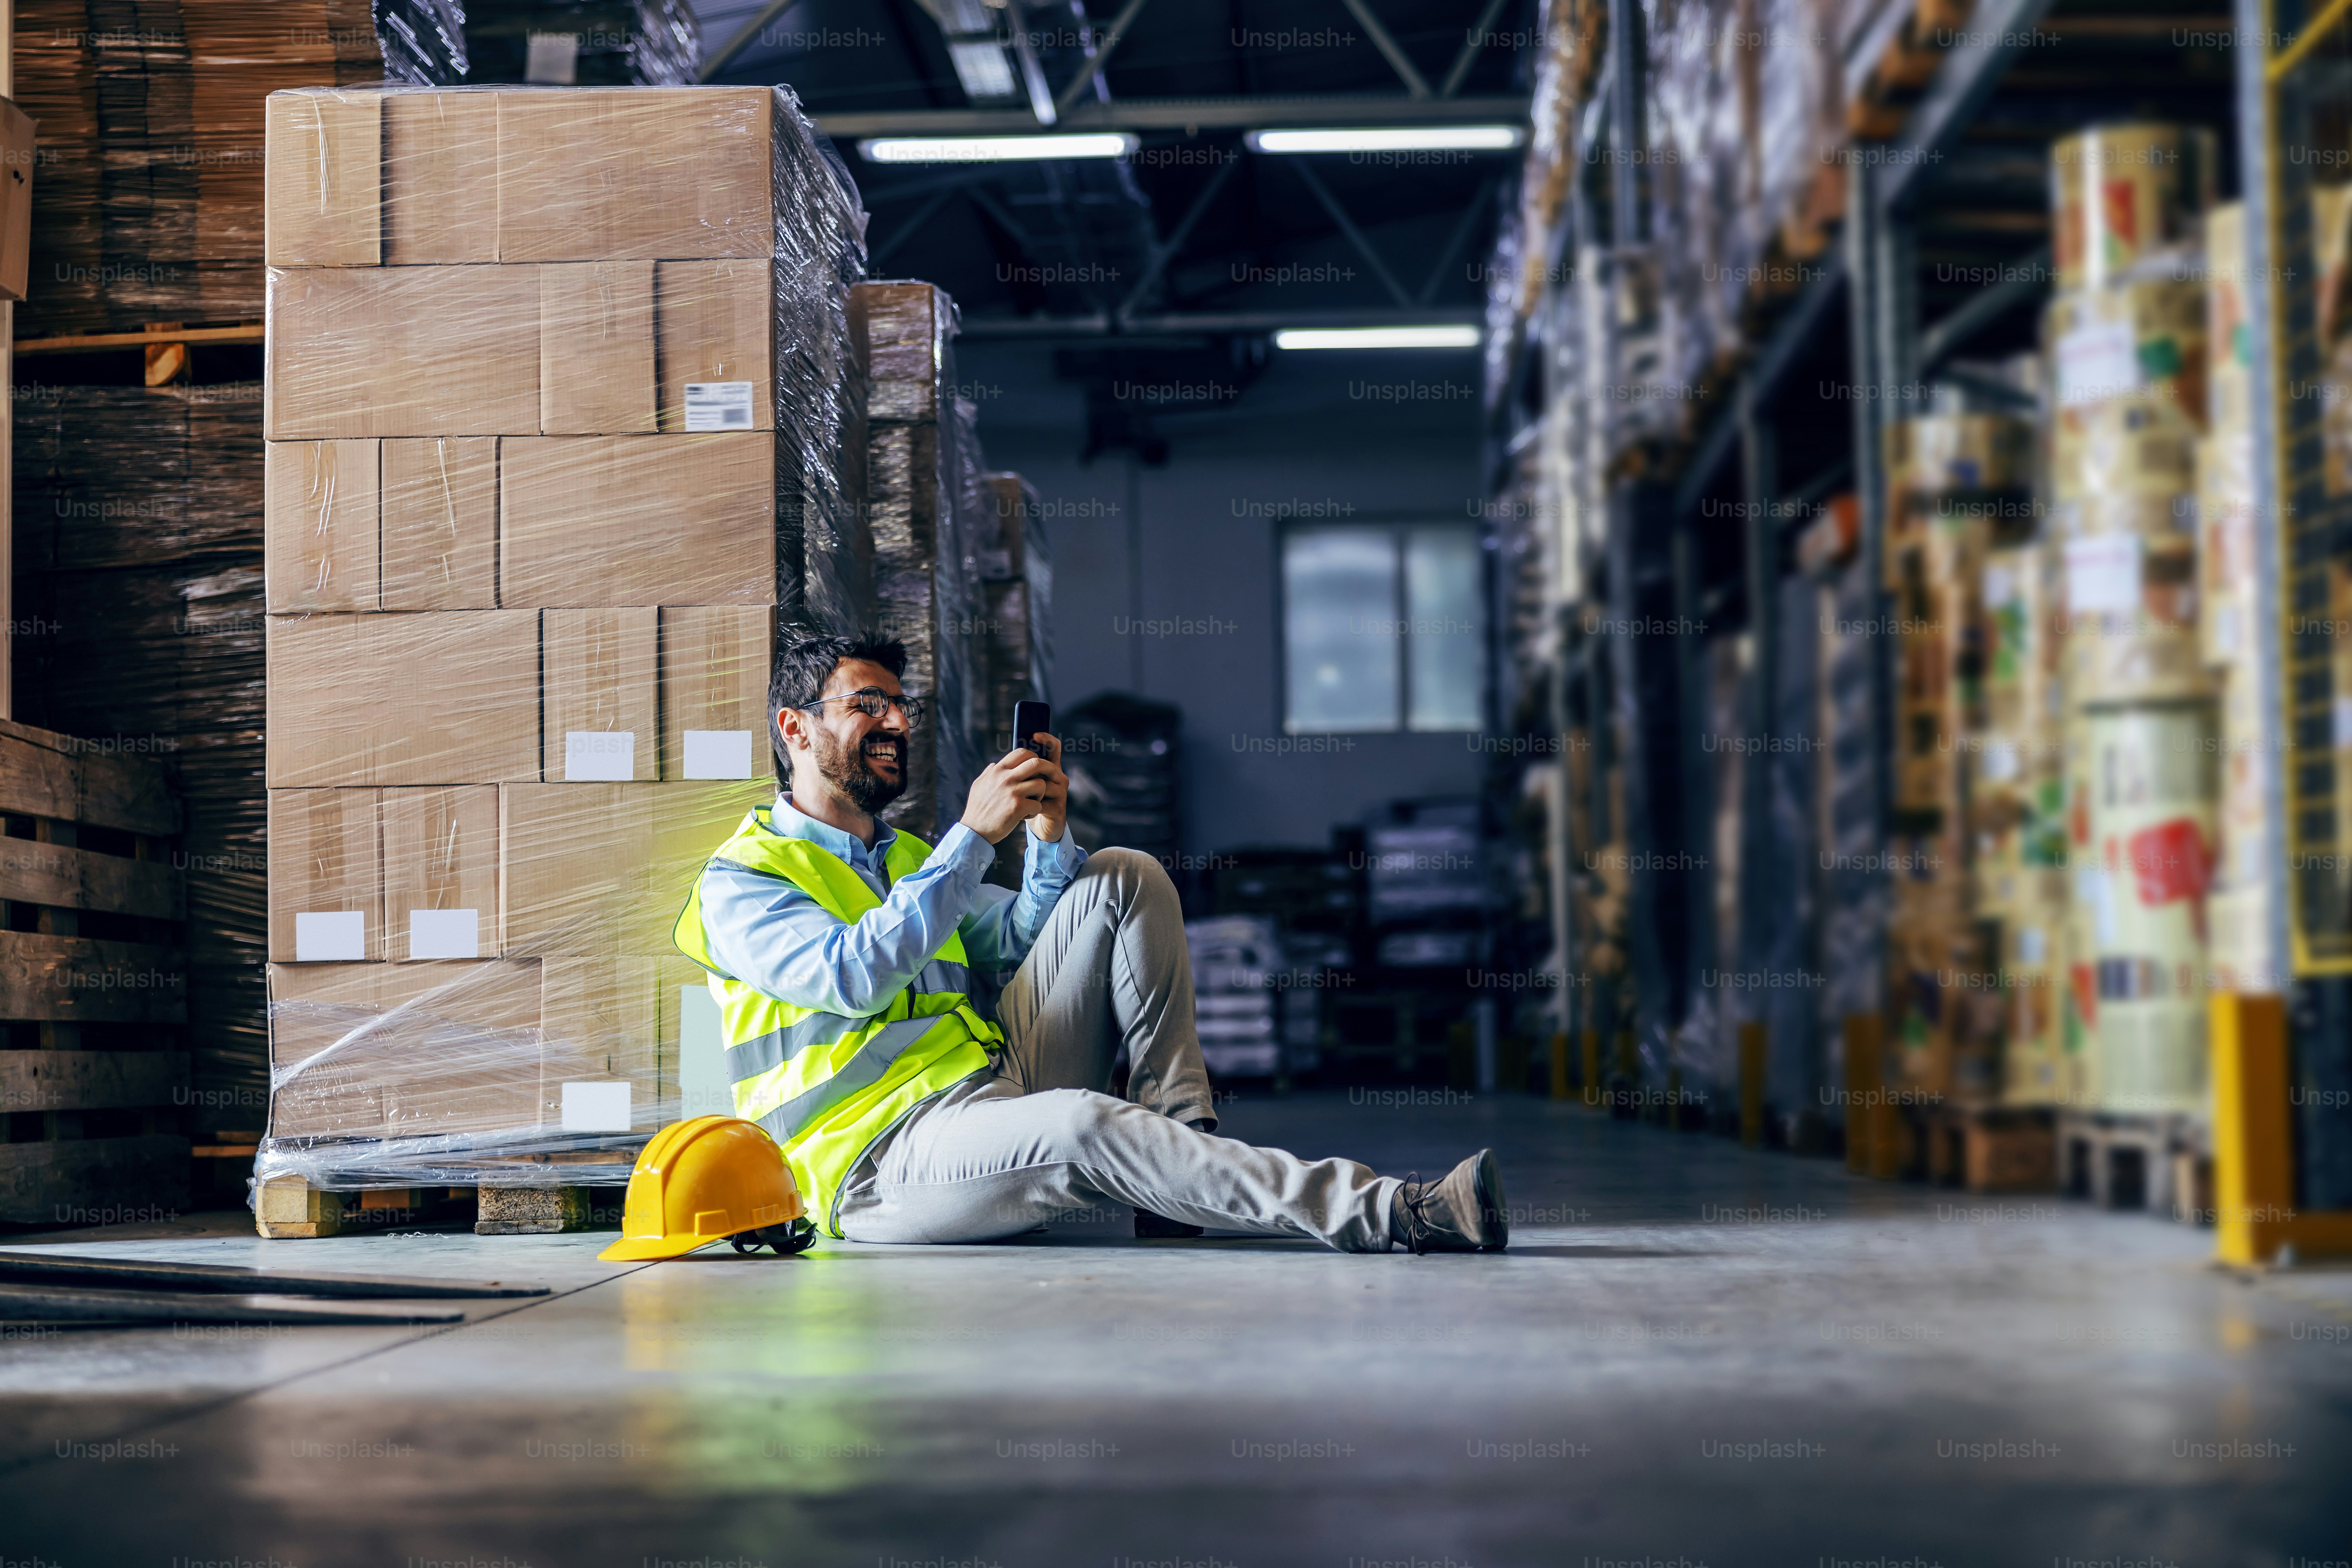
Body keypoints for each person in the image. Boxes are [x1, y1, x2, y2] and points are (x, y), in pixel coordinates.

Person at [671, 632, 1508, 1255]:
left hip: (989, 1087)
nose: (895, 720)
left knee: (1122, 871)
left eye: (901, 705)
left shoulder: (904, 858)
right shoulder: (743, 878)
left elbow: (1022, 939)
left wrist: (1044, 835)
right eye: (867, 704)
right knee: (1082, 1126)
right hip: (879, 1162)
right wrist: (969, 837)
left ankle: (1184, 1154)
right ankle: (1394, 1210)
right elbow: (851, 976)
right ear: (796, 728)